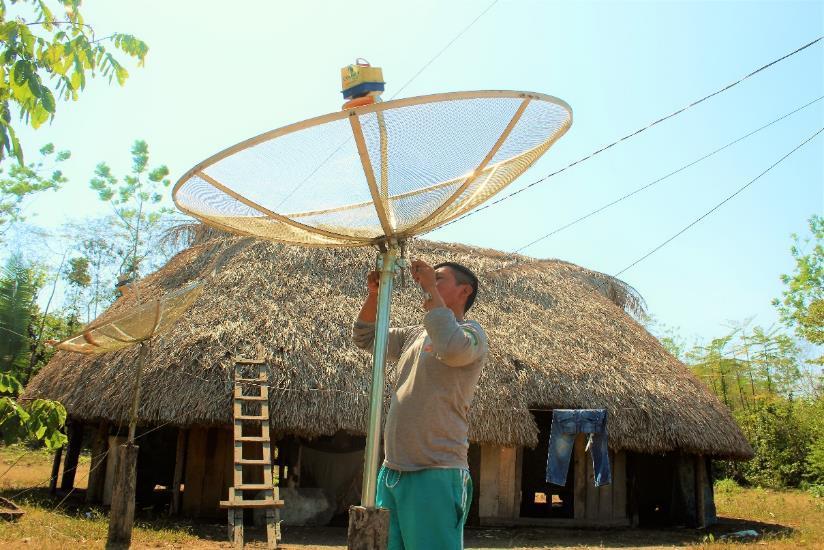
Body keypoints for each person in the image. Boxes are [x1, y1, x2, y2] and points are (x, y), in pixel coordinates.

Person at [352, 259, 488, 550]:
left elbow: (451, 348)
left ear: (464, 291)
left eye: (439, 279)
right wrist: (375, 294)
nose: (429, 283)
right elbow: (365, 339)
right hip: (393, 471)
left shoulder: (472, 335)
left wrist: (430, 289)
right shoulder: (416, 334)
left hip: (437, 470)